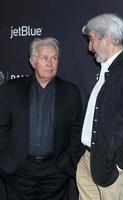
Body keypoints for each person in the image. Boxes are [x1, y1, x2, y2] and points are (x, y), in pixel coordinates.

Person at [76, 13, 123, 200]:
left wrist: (118, 165)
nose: (90, 47)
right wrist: (84, 158)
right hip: (88, 160)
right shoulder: (106, 69)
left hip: (112, 167)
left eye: (91, 39)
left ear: (107, 38)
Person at [0, 37, 83, 200]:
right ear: (32, 61)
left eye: (54, 58)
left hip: (56, 171)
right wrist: (5, 161)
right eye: (44, 58)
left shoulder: (70, 92)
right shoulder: (12, 89)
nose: (50, 63)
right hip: (19, 169)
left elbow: (77, 131)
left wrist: (69, 162)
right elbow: (2, 127)